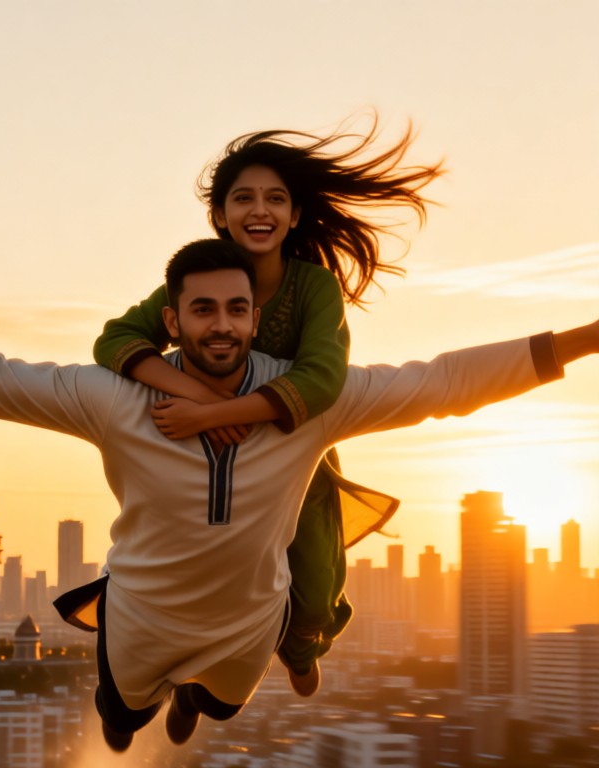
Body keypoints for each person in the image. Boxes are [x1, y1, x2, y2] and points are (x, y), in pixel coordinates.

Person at [0, 239, 597, 752]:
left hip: (246, 626)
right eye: (202, 309)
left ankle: (195, 697)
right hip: (140, 622)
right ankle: (135, 695)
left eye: (236, 309)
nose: (221, 325)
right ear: (172, 320)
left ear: (255, 318)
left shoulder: (310, 402)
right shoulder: (113, 399)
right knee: (123, 716)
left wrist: (587, 337)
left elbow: (445, 384)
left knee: (222, 705)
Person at [93, 123, 442, 697]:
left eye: (275, 198)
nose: (260, 211)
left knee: (316, 583)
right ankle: (185, 674)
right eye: (244, 198)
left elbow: (323, 378)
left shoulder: (313, 288)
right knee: (195, 579)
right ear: (220, 216)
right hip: (196, 455)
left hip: (290, 457)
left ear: (295, 214)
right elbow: (116, 340)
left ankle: (298, 646)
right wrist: (203, 401)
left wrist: (217, 414)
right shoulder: (204, 280)